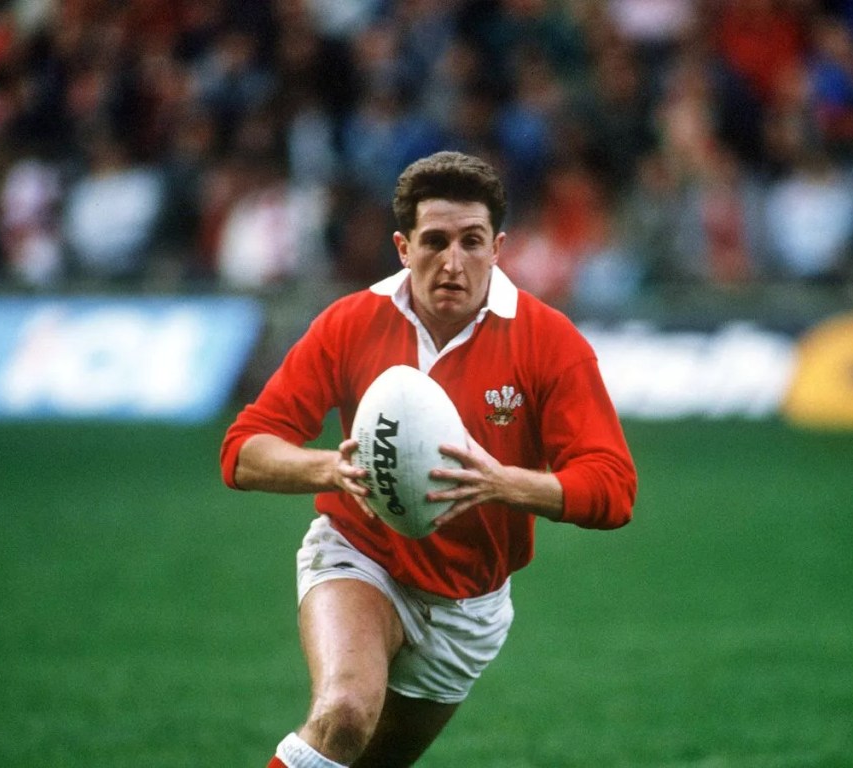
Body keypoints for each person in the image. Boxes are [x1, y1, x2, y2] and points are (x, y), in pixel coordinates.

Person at [220, 150, 637, 767]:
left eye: (471, 242)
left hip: (468, 604)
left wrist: (504, 484)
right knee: (343, 715)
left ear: (498, 248)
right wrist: (329, 470)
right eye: (435, 241)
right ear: (403, 247)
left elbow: (614, 488)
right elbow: (243, 450)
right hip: (360, 555)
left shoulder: (549, 342)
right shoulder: (351, 322)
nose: (452, 262)